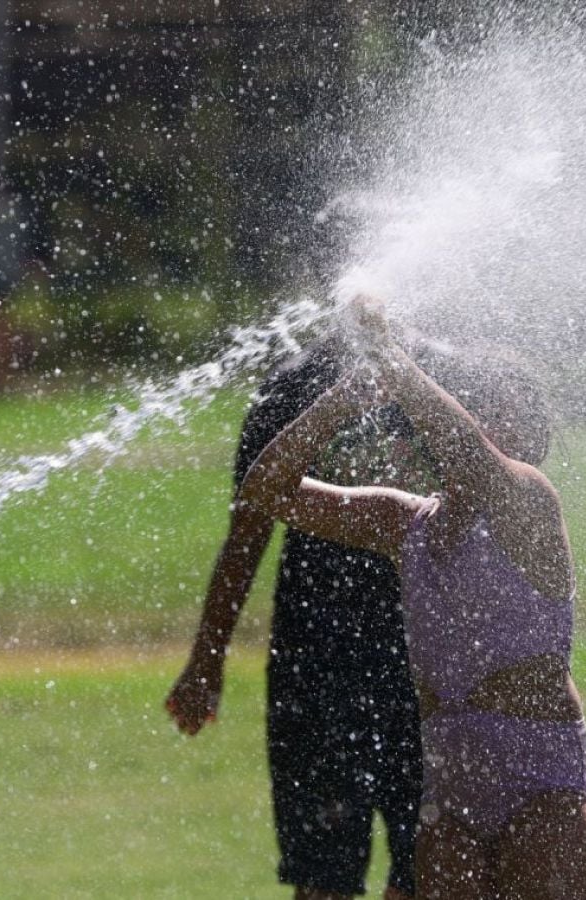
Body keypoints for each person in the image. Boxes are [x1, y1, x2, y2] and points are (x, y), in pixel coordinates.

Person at [218, 296, 586, 899]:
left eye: (512, 422)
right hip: (452, 785)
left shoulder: (531, 500)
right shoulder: (404, 522)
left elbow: (473, 457)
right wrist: (341, 403)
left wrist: (389, 357)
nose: (494, 431)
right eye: (485, 415)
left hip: (540, 777)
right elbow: (266, 488)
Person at [167, 336, 427, 900]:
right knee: (322, 874)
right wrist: (206, 659)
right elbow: (248, 533)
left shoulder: (438, 381)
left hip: (428, 657)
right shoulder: (290, 386)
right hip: (315, 657)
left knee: (428, 868)